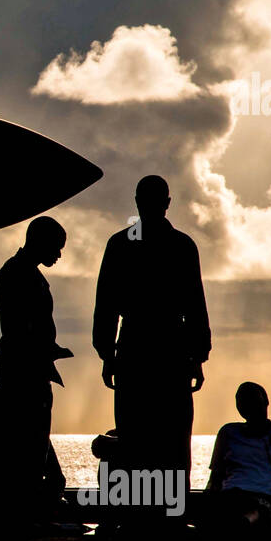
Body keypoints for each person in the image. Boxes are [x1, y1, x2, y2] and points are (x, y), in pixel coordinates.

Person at [93, 175, 210, 495]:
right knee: (172, 437)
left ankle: (135, 508)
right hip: (172, 351)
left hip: (134, 349)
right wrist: (198, 357)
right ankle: (171, 509)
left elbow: (105, 306)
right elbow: (196, 306)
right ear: (167, 203)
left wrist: (107, 355)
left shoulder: (119, 245)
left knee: (134, 434)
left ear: (137, 201)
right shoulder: (182, 246)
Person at [0, 216, 73, 512]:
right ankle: (30, 504)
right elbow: (22, 328)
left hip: (24, 366)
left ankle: (34, 498)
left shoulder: (20, 272)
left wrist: (49, 348)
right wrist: (46, 348)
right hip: (24, 370)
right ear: (41, 241)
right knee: (29, 438)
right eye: (57, 247)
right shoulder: (18, 274)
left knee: (30, 437)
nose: (59, 255)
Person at [204, 382, 271, 541]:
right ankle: (243, 521)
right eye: (242, 401)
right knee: (235, 508)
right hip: (233, 496)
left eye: (253, 399)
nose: (248, 405)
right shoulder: (229, 432)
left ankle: (247, 520)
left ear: (266, 401)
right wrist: (209, 499)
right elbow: (215, 478)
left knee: (256, 516)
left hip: (269, 501)